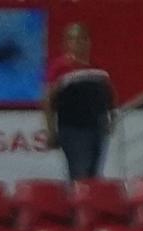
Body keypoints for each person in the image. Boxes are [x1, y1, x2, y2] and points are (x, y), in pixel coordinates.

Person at [44, 22, 115, 181]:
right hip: (73, 129)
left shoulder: (99, 67)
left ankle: (88, 205)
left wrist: (112, 117)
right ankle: (77, 204)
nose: (78, 43)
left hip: (97, 127)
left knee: (93, 174)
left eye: (82, 39)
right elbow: (48, 100)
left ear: (89, 41)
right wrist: (50, 130)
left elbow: (109, 94)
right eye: (73, 39)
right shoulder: (59, 68)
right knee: (79, 172)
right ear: (66, 43)